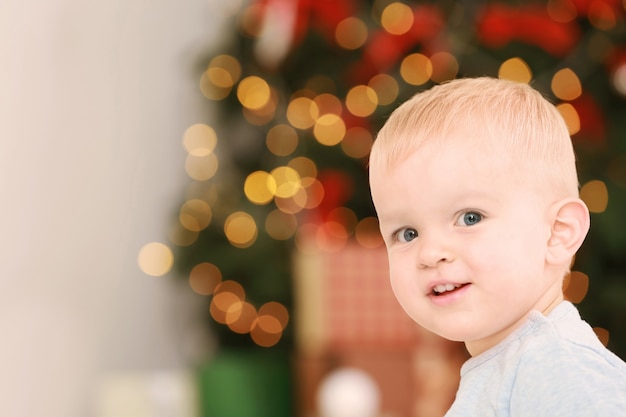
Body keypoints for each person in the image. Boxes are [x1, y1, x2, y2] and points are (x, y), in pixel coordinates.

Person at [368, 77, 626, 416]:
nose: (431, 254)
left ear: (558, 233)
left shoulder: (558, 370)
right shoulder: (512, 367)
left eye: (470, 217)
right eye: (408, 234)